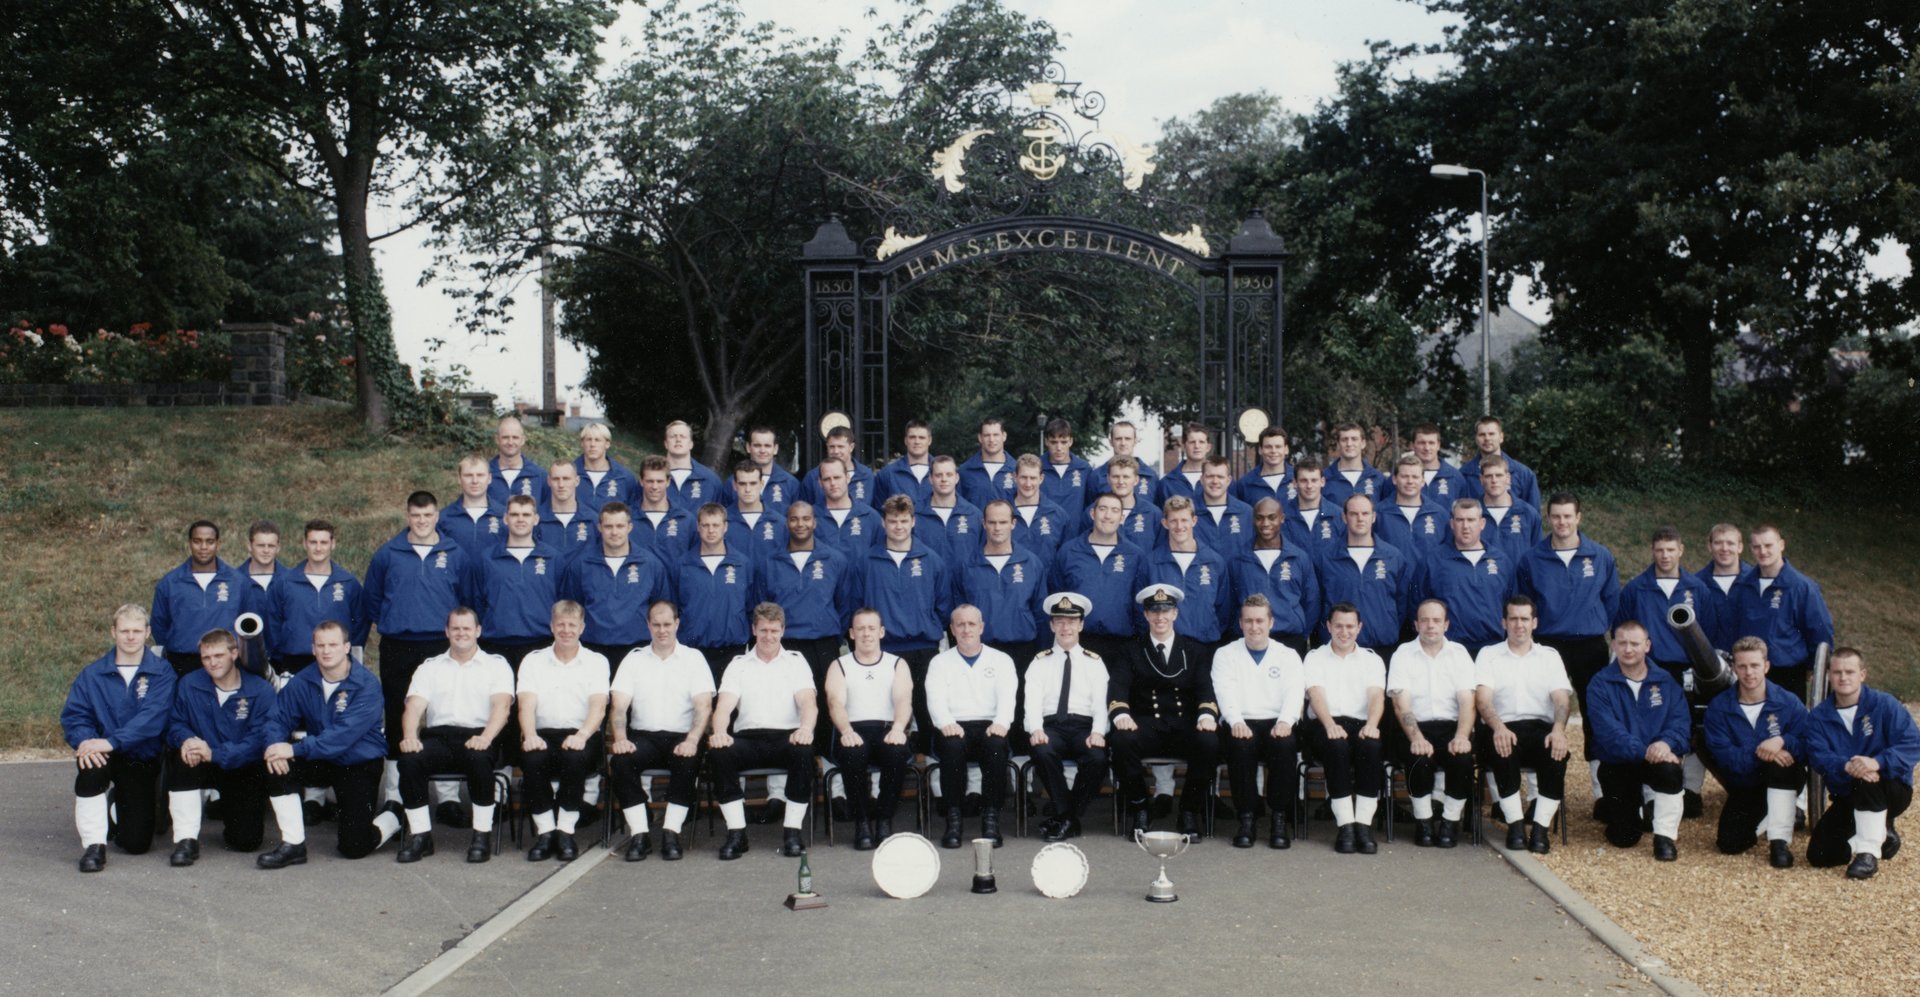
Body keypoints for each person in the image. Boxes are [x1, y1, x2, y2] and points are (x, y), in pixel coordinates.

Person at [257, 620, 403, 868]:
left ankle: (394, 815)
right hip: (321, 757)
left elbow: (342, 736)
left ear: (346, 647)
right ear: (313, 649)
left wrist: (292, 749)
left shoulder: (366, 685)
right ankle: (293, 845)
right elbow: (277, 718)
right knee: (276, 766)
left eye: (333, 644)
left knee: (354, 846)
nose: (326, 651)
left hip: (358, 761)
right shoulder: (303, 681)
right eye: (320, 645)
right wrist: (275, 747)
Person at [392, 608, 515, 863]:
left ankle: (482, 835)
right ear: (447, 632)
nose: (461, 633)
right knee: (409, 760)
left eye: (467, 628)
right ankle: (421, 837)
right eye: (456, 628)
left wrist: (486, 737)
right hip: (439, 737)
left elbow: (502, 706)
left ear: (478, 631)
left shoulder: (496, 664)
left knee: (479, 757)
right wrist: (409, 736)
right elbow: (414, 706)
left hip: (479, 735)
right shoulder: (431, 667)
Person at [363, 491, 481, 756]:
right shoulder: (388, 553)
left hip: (441, 644)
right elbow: (372, 597)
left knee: (445, 710)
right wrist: (393, 619)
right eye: (416, 515)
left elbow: (467, 599)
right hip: (398, 643)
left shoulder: (455, 554)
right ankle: (395, 789)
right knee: (397, 709)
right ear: (408, 517)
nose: (422, 521)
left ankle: (446, 790)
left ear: (437, 516)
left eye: (428, 515)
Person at [63, 605, 177, 872]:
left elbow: (153, 719)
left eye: (137, 630)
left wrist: (112, 742)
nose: (130, 637)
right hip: (103, 753)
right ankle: (94, 846)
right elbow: (75, 716)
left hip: (140, 757)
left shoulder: (162, 672)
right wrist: (86, 743)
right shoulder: (92, 674)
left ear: (147, 633)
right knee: (90, 769)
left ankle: (116, 804)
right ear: (113, 632)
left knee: (136, 844)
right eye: (124, 630)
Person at [1614, 525, 1712, 815]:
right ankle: (1650, 792)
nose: (1665, 555)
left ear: (1681, 550)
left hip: (1687, 668)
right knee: (1648, 724)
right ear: (1652, 551)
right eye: (1659, 550)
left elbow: (1709, 632)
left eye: (1671, 549)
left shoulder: (1697, 589)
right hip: (1650, 667)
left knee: (1691, 727)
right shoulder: (1635, 588)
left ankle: (1690, 790)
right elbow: (1622, 627)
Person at [607, 600, 714, 862]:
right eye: (656, 624)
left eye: (667, 624)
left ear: (677, 623)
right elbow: (619, 707)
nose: (662, 630)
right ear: (648, 625)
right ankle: (640, 834)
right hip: (644, 737)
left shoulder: (693, 658)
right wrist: (620, 739)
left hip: (682, 736)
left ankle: (671, 832)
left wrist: (691, 739)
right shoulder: (633, 660)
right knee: (620, 761)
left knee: (688, 758)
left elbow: (703, 706)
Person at [709, 603, 818, 859]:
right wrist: (719, 732)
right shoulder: (738, 664)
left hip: (786, 736)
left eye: (774, 630)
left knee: (804, 750)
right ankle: (737, 834)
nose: (769, 636)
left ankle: (792, 833)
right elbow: (724, 706)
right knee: (719, 753)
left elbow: (808, 703)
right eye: (763, 630)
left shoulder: (796, 662)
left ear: (783, 630)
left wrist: (805, 728)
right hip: (749, 738)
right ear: (754, 630)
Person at [1110, 584, 1221, 836]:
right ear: (1146, 615)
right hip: (1147, 725)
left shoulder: (1194, 650)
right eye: (1154, 611)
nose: (1160, 616)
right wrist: (1121, 714)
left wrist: (1206, 715)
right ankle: (1140, 807)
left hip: (1183, 725)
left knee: (1209, 741)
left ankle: (1189, 811)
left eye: (1166, 610)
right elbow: (1118, 688)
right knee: (1121, 741)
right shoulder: (1130, 650)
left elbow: (1205, 689)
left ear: (1175, 613)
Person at [163, 629, 278, 867]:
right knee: (182, 758)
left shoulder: (261, 690)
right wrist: (187, 740)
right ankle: (185, 839)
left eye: (218, 655)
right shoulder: (189, 684)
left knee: (246, 841)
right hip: (200, 761)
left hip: (241, 765)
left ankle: (229, 808)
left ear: (234, 653)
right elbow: (176, 722)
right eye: (206, 658)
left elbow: (259, 739)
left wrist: (216, 753)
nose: (212, 663)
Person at [1804, 648, 1919, 879]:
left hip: (1890, 790)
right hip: (1849, 793)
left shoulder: (1884, 704)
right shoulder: (1819, 716)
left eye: (1850, 671)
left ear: (1862, 674)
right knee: (1819, 855)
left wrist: (1877, 762)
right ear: (1828, 675)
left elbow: (1912, 742)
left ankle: (1867, 854)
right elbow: (1817, 754)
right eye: (1837, 672)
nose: (1843, 677)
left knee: (1869, 779)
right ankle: (1880, 831)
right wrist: (1847, 766)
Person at [1473, 595, 1574, 854]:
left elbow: (1562, 699)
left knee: (1556, 752)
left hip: (1540, 727)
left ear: (1535, 622)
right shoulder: (1489, 654)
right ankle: (1516, 826)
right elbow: (1482, 699)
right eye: (1514, 619)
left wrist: (1558, 730)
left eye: (1525, 619)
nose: (1519, 625)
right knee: (1502, 748)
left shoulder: (1550, 657)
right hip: (1501, 726)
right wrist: (1498, 728)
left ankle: (1540, 828)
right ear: (1503, 622)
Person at [1586, 621, 1691, 861]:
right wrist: (1647, 751)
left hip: (1656, 759)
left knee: (1671, 771)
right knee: (1623, 838)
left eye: (1635, 643)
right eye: (1622, 643)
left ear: (1647, 646)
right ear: (1613, 645)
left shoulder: (1665, 681)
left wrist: (1665, 744)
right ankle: (1630, 810)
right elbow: (1608, 733)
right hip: (1619, 763)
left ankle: (1665, 837)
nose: (1628, 649)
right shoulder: (1600, 684)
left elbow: (1680, 723)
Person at [515, 601, 610, 862]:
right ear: (551, 626)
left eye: (572, 625)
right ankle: (545, 832)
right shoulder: (533, 661)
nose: (566, 630)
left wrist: (581, 735)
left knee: (574, 758)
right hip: (543, 732)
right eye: (561, 625)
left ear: (582, 628)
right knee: (532, 758)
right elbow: (526, 704)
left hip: (582, 734)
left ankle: (566, 831)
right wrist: (530, 734)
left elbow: (598, 707)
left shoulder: (596, 661)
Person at [1703, 637, 1807, 868]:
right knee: (1729, 843)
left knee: (1780, 765)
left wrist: (1781, 740)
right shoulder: (1720, 708)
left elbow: (1807, 742)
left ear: (1766, 666)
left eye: (1755, 665)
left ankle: (1779, 842)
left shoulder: (1788, 702)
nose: (1749, 672)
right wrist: (1763, 749)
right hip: (1747, 783)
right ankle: (1775, 815)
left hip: (1784, 778)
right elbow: (1726, 758)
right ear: (1733, 668)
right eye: (1742, 666)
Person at [854, 495, 950, 745]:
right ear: (883, 523)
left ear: (913, 521)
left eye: (904, 521)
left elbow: (942, 606)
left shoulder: (931, 560)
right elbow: (855, 604)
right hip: (883, 650)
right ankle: (887, 771)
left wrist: (925, 627)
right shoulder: (866, 562)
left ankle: (931, 764)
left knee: (926, 709)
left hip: (922, 648)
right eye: (893, 521)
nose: (898, 526)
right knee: (883, 713)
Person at [1212, 596, 1304, 849]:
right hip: (1241, 720)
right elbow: (1224, 691)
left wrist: (1286, 721)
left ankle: (1279, 818)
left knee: (1285, 746)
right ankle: (1247, 818)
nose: (1254, 627)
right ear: (1240, 623)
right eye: (1249, 621)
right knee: (1240, 745)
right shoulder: (1225, 654)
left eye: (1260, 621)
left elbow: (1294, 693)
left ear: (1271, 622)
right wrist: (1235, 721)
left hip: (1277, 721)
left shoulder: (1288, 655)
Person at [1387, 600, 1478, 848]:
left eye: (1436, 620)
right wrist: (1416, 737)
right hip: (1415, 726)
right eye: (1425, 620)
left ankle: (1450, 821)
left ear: (1446, 624)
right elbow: (1400, 705)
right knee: (1419, 758)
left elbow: (1467, 701)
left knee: (1461, 758)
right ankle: (1423, 821)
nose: (1430, 626)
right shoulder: (1403, 654)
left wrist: (1462, 736)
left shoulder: (1459, 654)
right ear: (1416, 624)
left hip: (1451, 726)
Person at [925, 605, 1018, 848]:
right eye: (960, 624)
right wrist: (945, 722)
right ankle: (953, 821)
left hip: (990, 724)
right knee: (952, 747)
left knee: (997, 745)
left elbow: (1008, 698)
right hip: (954, 726)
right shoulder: (939, 662)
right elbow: (935, 700)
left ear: (981, 627)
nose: (966, 629)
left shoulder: (1001, 660)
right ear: (952, 629)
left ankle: (991, 820)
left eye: (971, 624)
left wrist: (1001, 723)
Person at [824, 608, 914, 850]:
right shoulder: (839, 665)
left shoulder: (897, 663)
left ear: (881, 632)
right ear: (851, 633)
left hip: (887, 728)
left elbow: (904, 701)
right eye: (860, 629)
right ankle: (862, 823)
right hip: (852, 729)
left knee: (896, 752)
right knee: (853, 754)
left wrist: (898, 729)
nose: (866, 634)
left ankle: (884, 821)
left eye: (871, 628)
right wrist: (845, 731)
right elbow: (835, 703)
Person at [1025, 593, 1111, 842]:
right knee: (1042, 750)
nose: (1065, 627)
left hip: (1084, 726)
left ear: (1081, 625)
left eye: (1071, 621)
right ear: (1051, 625)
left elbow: (1100, 702)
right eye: (1060, 621)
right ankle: (1069, 818)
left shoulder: (1094, 662)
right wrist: (1035, 729)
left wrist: (1098, 731)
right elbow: (1032, 701)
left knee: (1097, 757)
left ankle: (1064, 816)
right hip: (1051, 725)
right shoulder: (1039, 662)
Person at [1303, 603, 1387, 854]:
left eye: (1350, 626)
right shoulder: (1314, 657)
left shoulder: (1372, 659)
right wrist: (1329, 724)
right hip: (1323, 722)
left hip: (1360, 722)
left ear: (1359, 628)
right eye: (1338, 625)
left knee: (1371, 746)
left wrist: (1372, 725)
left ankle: (1363, 825)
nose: (1344, 631)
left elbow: (1376, 696)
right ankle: (1345, 826)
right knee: (1336, 746)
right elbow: (1315, 693)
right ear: (1328, 626)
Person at [558, 501, 675, 663]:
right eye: (608, 526)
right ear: (599, 527)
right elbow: (572, 607)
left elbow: (661, 606)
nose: (614, 532)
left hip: (638, 648)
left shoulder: (651, 564)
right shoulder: (581, 564)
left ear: (630, 527)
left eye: (620, 526)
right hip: (592, 648)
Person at [1730, 524, 1835, 703]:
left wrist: (1814, 668)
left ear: (1781, 545)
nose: (1762, 551)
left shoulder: (1802, 587)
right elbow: (1733, 627)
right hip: (1749, 672)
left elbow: (1820, 631)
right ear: (1751, 549)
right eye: (1757, 547)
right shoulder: (1742, 585)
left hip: (1788, 674)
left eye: (1768, 545)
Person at [762, 500, 855, 689]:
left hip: (823, 644)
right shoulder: (770, 562)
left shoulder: (834, 560)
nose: (800, 524)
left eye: (806, 519)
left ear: (814, 522)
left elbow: (844, 604)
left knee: (825, 706)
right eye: (794, 519)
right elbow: (763, 605)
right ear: (786, 523)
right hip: (785, 644)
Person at [1049, 492, 1150, 664]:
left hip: (1123, 645)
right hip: (1078, 642)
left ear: (1122, 517)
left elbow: (1140, 605)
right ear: (1092, 513)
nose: (1108, 515)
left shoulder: (1135, 555)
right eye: (1103, 509)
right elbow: (1056, 594)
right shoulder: (1068, 552)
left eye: (1114, 510)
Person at [1314, 493, 1413, 657]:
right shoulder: (1326, 558)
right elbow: (1318, 602)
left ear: (1373, 517)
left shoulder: (1393, 556)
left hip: (1382, 647)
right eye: (1353, 514)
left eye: (1365, 513)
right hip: (1339, 649)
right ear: (1344, 517)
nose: (1360, 519)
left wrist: (1387, 626)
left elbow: (1401, 602)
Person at [955, 500, 1047, 672]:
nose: (997, 528)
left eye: (1003, 522)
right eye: (992, 522)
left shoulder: (1031, 563)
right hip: (981, 650)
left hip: (1023, 650)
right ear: (984, 524)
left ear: (1013, 523)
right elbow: (958, 613)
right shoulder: (967, 566)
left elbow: (1040, 613)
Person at [1415, 498, 1515, 657]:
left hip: (1493, 648)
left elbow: (1510, 603)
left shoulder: (1501, 561)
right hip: (1448, 649)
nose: (1466, 526)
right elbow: (1419, 602)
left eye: (1471, 520)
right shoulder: (1433, 560)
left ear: (1482, 523)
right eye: (1460, 520)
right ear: (1452, 524)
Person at [268, 519, 367, 675]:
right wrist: (282, 654)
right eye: (313, 542)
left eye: (324, 542)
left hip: (336, 661)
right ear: (304, 543)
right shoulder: (285, 583)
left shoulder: (348, 583)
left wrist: (344, 653)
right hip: (295, 662)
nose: (318, 548)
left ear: (333, 544)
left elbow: (361, 623)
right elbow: (273, 623)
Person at [676, 503, 761, 682]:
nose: (711, 530)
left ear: (725, 526)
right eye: (706, 525)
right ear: (698, 527)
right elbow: (674, 607)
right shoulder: (683, 564)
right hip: (693, 651)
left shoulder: (742, 564)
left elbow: (751, 607)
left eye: (716, 525)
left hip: (732, 650)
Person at [476, 496, 562, 670]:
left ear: (536, 519)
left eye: (526, 515)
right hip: (496, 644)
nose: (520, 519)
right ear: (505, 518)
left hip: (541, 643)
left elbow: (562, 599)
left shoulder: (553, 557)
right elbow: (476, 599)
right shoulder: (487, 558)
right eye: (515, 514)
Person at [150, 520, 246, 676]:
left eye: (209, 542)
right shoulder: (170, 582)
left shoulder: (237, 581)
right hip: (182, 662)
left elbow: (247, 622)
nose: (203, 547)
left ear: (218, 544)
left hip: (226, 662)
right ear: (189, 543)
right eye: (197, 541)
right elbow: (159, 623)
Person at [1227, 498, 1319, 655]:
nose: (1265, 523)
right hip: (1250, 638)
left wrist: (1302, 632)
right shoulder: (1239, 559)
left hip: (1290, 638)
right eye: (1259, 517)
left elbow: (1312, 600)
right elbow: (1229, 602)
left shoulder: (1298, 557)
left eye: (1271, 517)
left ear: (1282, 518)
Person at [238, 520, 296, 675]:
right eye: (260, 545)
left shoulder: (292, 581)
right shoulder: (235, 581)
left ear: (278, 547)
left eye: (271, 546)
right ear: (249, 546)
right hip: (245, 664)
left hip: (284, 663)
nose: (266, 550)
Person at [1373, 454, 1448, 565]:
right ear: (1394, 479)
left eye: (1415, 477)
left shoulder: (1439, 514)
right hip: (1392, 580)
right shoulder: (1378, 513)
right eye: (1404, 476)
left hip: (1428, 581)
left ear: (1423, 481)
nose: (1410, 481)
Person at [913, 455, 982, 567]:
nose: (944, 479)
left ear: (957, 478)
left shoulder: (974, 515)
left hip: (963, 584)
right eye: (938, 475)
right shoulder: (915, 514)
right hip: (928, 582)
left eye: (949, 474)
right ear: (930, 479)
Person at [1459, 416, 1541, 509]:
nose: (1487, 438)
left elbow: (1534, 517)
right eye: (1482, 434)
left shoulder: (1524, 474)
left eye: (1491, 434)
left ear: (1501, 437)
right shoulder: (1463, 475)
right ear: (1476, 438)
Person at [1694, 523, 1750, 652]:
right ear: (1709, 546)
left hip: (1748, 662)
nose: (1724, 548)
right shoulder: (1696, 584)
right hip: (1711, 662)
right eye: (1718, 543)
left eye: (1730, 543)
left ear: (1740, 547)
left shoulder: (1755, 581)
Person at [719, 425, 801, 514]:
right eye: (757, 445)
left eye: (767, 446)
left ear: (775, 449)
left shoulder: (791, 484)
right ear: (748, 447)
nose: (762, 450)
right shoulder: (732, 483)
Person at [1009, 453, 1072, 570]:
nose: (1028, 484)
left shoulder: (1058, 515)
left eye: (1033, 478)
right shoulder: (1003, 514)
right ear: (1015, 477)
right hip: (1012, 585)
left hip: (1049, 586)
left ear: (1041, 479)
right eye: (1023, 477)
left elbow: (1065, 558)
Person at [1475, 456, 1540, 563]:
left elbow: (1537, 555)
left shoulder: (1528, 513)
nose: (1494, 480)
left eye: (1499, 475)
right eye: (1488, 476)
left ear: (1508, 478)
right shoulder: (1472, 514)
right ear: (1481, 480)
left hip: (1518, 579)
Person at [438, 455, 505, 558]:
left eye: (480, 475)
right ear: (459, 479)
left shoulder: (505, 516)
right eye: (468, 475)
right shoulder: (443, 517)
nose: (474, 481)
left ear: (489, 478)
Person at [811, 457, 880, 556]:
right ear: (820, 483)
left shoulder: (870, 516)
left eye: (837, 477)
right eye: (827, 479)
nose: (833, 483)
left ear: (847, 478)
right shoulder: (810, 517)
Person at [723, 461, 788, 564]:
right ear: (734, 485)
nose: (748, 489)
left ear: (761, 484)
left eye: (753, 483)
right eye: (742, 484)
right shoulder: (721, 522)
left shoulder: (780, 523)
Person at [535, 458, 599, 560]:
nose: (561, 485)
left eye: (566, 479)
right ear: (548, 481)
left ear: (577, 481)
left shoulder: (593, 521)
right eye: (556, 479)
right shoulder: (535, 520)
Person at [630, 455, 694, 556]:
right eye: (650, 481)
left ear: (668, 482)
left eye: (659, 481)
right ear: (641, 481)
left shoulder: (686, 520)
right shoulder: (627, 518)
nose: (655, 487)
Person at [1282, 455, 1344, 558]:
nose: (1309, 486)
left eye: (1314, 480)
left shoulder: (1338, 516)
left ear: (1322, 482)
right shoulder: (1283, 517)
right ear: (1295, 483)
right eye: (1303, 481)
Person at [798, 425, 875, 507]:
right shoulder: (813, 477)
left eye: (840, 446)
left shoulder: (866, 475)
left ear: (851, 447)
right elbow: (804, 510)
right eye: (832, 447)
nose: (836, 451)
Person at [1194, 455, 1254, 558]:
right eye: (1210, 476)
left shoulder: (1246, 513)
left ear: (1229, 480)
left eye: (1220, 477)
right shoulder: (1189, 512)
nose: (1215, 481)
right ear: (1202, 479)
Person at [573, 422, 640, 514]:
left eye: (597, 440)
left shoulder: (624, 477)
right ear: (582, 443)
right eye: (588, 440)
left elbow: (633, 511)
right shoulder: (569, 475)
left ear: (607, 444)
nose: (592, 444)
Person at [1089, 420, 1160, 505]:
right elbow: (1090, 512)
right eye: (1118, 439)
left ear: (1135, 441)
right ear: (1111, 442)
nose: (1123, 443)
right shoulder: (1096, 476)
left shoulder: (1150, 476)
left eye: (1127, 439)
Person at [1322, 422, 1390, 510]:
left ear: (1363, 443)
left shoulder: (1378, 478)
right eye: (1344, 440)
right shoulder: (1324, 478)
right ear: (1338, 445)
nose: (1349, 444)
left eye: (1354, 439)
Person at [1097, 456, 1161, 549]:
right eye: (1116, 477)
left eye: (1126, 477)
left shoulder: (1153, 514)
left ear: (1136, 480)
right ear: (1108, 479)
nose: (1121, 482)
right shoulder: (1095, 512)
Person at [1039, 417, 1094, 525]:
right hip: (1045, 533)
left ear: (1071, 441)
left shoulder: (1084, 469)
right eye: (1054, 442)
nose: (1059, 448)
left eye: (1063, 442)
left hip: (1075, 536)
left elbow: (1091, 504)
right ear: (1046, 442)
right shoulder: (1037, 468)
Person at [660, 420, 723, 511]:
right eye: (673, 436)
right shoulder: (652, 478)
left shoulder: (710, 480)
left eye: (683, 436)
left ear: (691, 444)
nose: (678, 440)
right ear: (666, 444)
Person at [873, 420, 936, 509]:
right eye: (912, 437)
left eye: (921, 437)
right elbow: (879, 513)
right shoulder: (887, 474)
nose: (917, 441)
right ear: (905, 440)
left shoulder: (943, 473)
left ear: (929, 440)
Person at [957, 417, 1017, 509]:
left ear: (1004, 436)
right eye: (986, 435)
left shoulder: (1016, 469)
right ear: (980, 438)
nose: (991, 439)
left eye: (996, 435)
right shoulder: (965, 471)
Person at [487, 414, 547, 507]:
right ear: (497, 439)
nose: (510, 442)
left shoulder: (539, 476)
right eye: (505, 437)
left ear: (523, 440)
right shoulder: (484, 475)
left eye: (515, 437)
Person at [1230, 425, 1294, 507]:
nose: (1273, 451)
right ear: (1260, 450)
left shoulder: (1299, 478)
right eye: (1268, 447)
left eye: (1278, 447)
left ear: (1286, 450)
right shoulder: (1245, 484)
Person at [1152, 422, 1214, 506]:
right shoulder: (1167, 483)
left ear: (1208, 447)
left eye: (1201, 442)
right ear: (1184, 446)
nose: (1197, 446)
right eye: (1192, 442)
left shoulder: (1220, 480)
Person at [1410, 423, 1469, 506]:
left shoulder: (1455, 477)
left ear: (1438, 445)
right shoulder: (1400, 477)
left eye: (1431, 443)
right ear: (1413, 445)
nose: (1427, 448)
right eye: (1421, 443)